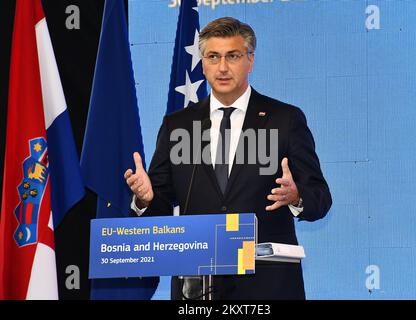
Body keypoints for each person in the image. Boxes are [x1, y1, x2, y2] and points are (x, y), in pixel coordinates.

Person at [124, 17, 332, 300]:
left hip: (267, 285)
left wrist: (296, 196)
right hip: (197, 285)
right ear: (203, 62)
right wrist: (146, 199)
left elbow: (320, 198)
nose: (222, 67)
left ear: (250, 60)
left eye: (232, 56)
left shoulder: (285, 119)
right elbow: (163, 201)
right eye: (213, 56)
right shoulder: (178, 125)